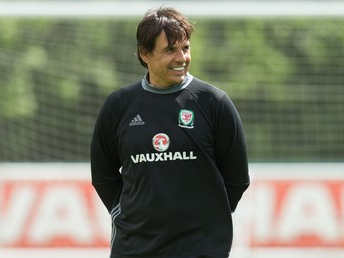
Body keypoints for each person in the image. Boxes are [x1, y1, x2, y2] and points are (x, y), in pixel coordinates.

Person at [90, 6, 250, 258]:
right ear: (145, 53)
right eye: (169, 50)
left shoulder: (214, 102)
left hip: (200, 249)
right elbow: (103, 176)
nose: (181, 58)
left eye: (185, 48)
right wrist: (134, 214)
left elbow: (237, 179)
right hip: (135, 248)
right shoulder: (119, 106)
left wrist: (204, 219)